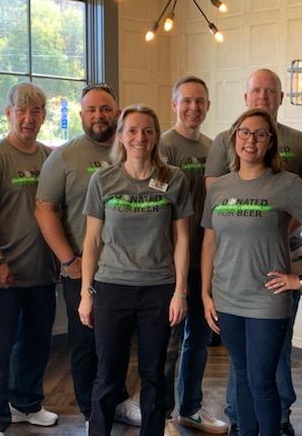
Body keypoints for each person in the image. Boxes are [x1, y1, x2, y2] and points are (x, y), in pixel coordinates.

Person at [201, 108, 302, 436]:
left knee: (262, 381)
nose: (251, 140)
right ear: (234, 138)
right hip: (226, 297)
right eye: (245, 132)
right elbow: (209, 240)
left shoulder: (286, 184)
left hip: (267, 300)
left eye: (261, 134)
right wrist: (205, 293)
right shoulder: (219, 188)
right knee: (244, 375)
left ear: (270, 143)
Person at [78, 104, 193, 436]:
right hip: (111, 288)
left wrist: (180, 292)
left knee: (155, 373)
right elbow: (92, 240)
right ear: (121, 136)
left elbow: (182, 239)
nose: (140, 137)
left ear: (156, 136)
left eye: (147, 130)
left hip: (158, 290)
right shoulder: (103, 180)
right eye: (132, 130)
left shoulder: (174, 179)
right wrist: (86, 292)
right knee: (107, 374)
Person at [35, 83, 142, 431]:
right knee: (85, 343)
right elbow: (45, 211)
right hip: (82, 270)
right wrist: (69, 261)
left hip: (127, 271)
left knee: (119, 341)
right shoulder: (64, 157)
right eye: (92, 110)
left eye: (106, 109)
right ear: (82, 115)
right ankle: (89, 411)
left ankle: (118, 400)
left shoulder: (133, 149)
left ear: (117, 111)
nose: (99, 116)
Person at [0, 82, 59, 436]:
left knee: (36, 345)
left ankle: (26, 404)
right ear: (8, 114)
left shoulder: (49, 157)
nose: (28, 118)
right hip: (1, 274)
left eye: (35, 111)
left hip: (40, 273)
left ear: (43, 116)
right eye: (21, 111)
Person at [159, 76, 228, 436]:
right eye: (186, 101)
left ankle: (190, 409)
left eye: (200, 101)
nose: (193, 108)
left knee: (199, 339)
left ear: (208, 106)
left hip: (208, 258)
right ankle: (163, 414)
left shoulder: (215, 146)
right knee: (169, 342)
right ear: (174, 104)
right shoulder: (162, 146)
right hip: (172, 263)